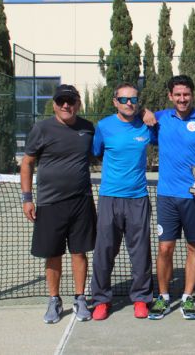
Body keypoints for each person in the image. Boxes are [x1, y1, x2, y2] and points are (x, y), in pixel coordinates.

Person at [20, 84, 95, 323]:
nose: (66, 105)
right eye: (61, 101)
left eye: (70, 101)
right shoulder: (41, 129)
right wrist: (27, 198)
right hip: (50, 204)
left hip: (81, 201)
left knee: (79, 252)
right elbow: (27, 163)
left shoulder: (88, 128)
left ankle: (80, 298)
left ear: (78, 103)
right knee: (52, 254)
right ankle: (54, 300)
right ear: (54, 104)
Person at [147, 75, 195, 320]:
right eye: (177, 94)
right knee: (165, 247)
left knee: (193, 246)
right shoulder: (159, 119)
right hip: (167, 195)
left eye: (186, 94)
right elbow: (129, 112)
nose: (182, 99)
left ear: (192, 95)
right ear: (170, 96)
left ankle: (188, 298)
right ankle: (163, 297)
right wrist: (144, 112)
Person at [90, 82, 156, 321]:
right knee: (104, 251)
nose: (130, 103)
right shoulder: (104, 126)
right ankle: (100, 300)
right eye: (125, 99)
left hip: (138, 199)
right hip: (110, 198)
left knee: (140, 253)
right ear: (115, 102)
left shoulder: (147, 125)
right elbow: (97, 151)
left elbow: (163, 130)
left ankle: (141, 299)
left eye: (134, 100)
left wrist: (148, 112)